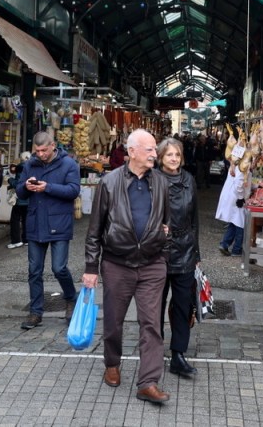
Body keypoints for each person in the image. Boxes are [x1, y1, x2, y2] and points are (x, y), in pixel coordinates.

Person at [83, 129, 172, 404]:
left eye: (155, 150)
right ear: (132, 151)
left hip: (151, 265)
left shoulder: (161, 183)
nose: (154, 154)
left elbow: (167, 223)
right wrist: (90, 267)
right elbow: (95, 229)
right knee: (113, 322)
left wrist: (163, 249)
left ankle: (148, 382)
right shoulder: (109, 183)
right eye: (149, 150)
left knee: (151, 325)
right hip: (116, 264)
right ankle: (112, 363)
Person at [16, 131, 80, 329]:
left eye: (43, 150)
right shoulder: (29, 164)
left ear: (53, 146)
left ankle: (71, 298)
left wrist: (48, 187)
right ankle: (36, 313)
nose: (40, 154)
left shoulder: (68, 164)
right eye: (37, 151)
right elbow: (19, 192)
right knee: (34, 271)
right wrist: (26, 186)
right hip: (35, 222)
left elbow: (73, 190)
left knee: (59, 268)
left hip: (59, 222)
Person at [157, 137, 201, 379]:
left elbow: (195, 219)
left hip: (185, 249)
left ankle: (178, 355)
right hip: (159, 250)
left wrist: (197, 253)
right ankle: (154, 349)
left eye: (176, 155)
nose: (173, 159)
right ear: (161, 157)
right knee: (156, 304)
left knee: (183, 305)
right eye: (169, 155)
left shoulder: (189, 180)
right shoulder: (153, 180)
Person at [215, 159, 246, 256]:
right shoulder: (242, 167)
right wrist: (241, 198)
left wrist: (257, 186)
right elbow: (239, 184)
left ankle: (224, 244)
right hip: (236, 198)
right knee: (241, 223)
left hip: (231, 195)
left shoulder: (235, 166)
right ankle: (237, 249)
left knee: (234, 221)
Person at [6, 152, 31, 249]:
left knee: (15, 220)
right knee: (26, 219)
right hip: (28, 198)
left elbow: (18, 183)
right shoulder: (32, 166)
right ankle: (26, 239)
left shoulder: (21, 167)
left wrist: (9, 180)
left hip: (20, 198)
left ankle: (16, 240)